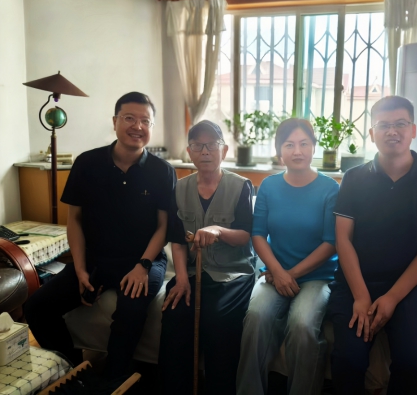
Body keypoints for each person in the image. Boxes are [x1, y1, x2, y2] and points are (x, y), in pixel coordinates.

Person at [24, 92, 176, 379]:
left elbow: (163, 227)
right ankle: (72, 371)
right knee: (36, 307)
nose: (138, 126)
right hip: (96, 259)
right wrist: (80, 268)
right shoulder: (87, 163)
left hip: (143, 260)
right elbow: (74, 219)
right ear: (115, 121)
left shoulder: (162, 172)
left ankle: (113, 380)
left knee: (130, 312)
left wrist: (143, 266)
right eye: (129, 118)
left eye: (145, 121)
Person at [327, 96, 417, 395]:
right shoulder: (354, 178)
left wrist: (392, 297)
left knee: (412, 365)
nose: (392, 131)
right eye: (383, 125)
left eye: (400, 124)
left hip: (404, 288)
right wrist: (361, 296)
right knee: (348, 361)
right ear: (372, 133)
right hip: (354, 283)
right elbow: (343, 239)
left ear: (413, 130)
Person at [237, 118, 339, 395]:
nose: (297, 151)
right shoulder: (268, 186)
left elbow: (331, 243)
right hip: (274, 272)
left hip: (317, 277)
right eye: (289, 144)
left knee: (302, 324)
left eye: (304, 144)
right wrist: (277, 271)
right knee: (256, 316)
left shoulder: (330, 188)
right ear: (279, 150)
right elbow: (258, 234)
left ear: (314, 147)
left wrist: (288, 275)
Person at [159, 120, 256, 395]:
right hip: (191, 272)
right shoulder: (179, 188)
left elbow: (246, 236)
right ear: (189, 152)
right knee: (175, 314)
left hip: (232, 273)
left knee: (218, 319)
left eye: (212, 145)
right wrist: (180, 278)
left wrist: (218, 230)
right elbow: (178, 241)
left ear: (223, 151)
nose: (205, 151)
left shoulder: (240, 186)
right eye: (198, 145)